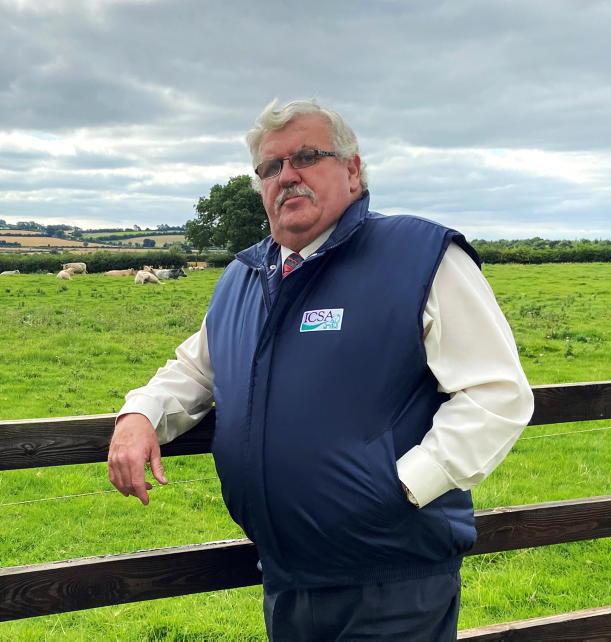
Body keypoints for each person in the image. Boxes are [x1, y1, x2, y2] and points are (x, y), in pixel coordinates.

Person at [108, 99, 533, 641]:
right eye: (270, 167)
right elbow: (195, 370)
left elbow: (497, 393)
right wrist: (140, 414)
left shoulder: (419, 256)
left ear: (352, 171)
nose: (287, 176)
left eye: (307, 157)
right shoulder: (245, 278)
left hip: (391, 580)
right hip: (286, 578)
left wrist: (403, 488)